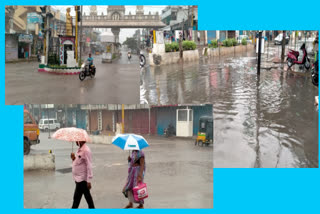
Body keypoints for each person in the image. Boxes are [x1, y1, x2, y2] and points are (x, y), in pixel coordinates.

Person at [71, 141, 95, 209]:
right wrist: (73, 158)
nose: (76, 141)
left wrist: (88, 180)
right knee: (88, 199)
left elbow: (89, 165)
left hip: (82, 180)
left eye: (77, 140)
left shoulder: (86, 150)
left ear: (81, 141)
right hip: (78, 179)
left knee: (76, 200)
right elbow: (79, 162)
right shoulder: (80, 149)